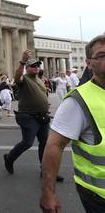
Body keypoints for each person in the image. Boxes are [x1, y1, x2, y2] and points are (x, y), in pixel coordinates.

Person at [40, 34, 105, 213]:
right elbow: (54, 146)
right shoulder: (77, 101)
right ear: (89, 63)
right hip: (99, 196)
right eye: (102, 55)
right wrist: (48, 193)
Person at [3, 50, 64, 182]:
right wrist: (22, 61)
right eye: (33, 66)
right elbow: (17, 76)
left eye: (38, 66)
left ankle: (45, 170)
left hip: (42, 116)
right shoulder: (23, 79)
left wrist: (45, 107)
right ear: (27, 68)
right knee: (27, 142)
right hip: (28, 116)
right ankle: (9, 157)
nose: (36, 67)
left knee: (44, 143)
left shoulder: (39, 79)